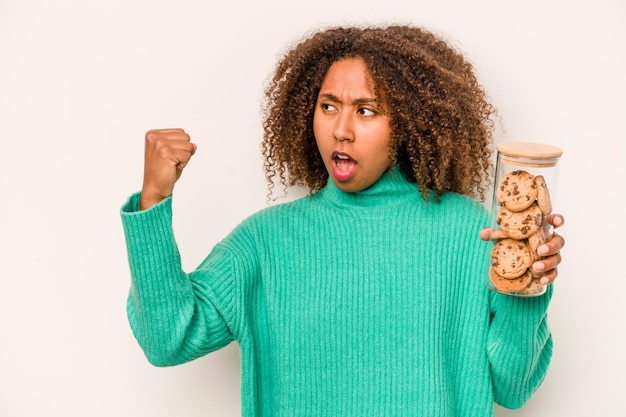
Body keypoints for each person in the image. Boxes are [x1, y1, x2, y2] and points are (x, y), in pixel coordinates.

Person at [121, 24, 565, 416]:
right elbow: (167, 338)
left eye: (366, 110)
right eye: (329, 106)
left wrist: (529, 285)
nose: (341, 129)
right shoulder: (265, 241)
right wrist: (154, 199)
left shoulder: (474, 232)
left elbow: (513, 387)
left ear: (408, 124)